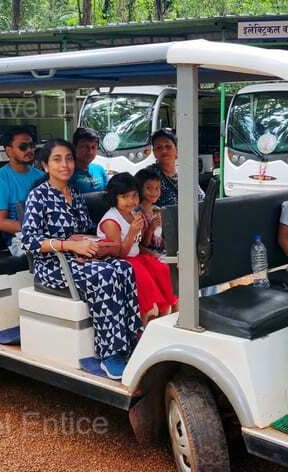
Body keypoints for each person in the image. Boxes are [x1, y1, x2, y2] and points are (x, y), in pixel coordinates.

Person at [21, 139, 142, 380]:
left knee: (123, 268)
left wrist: (92, 245)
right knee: (105, 275)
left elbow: (86, 228)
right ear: (45, 166)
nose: (65, 164)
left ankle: (130, 341)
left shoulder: (74, 194)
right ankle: (110, 353)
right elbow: (29, 241)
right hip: (53, 265)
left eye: (68, 158)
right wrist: (69, 245)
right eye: (57, 159)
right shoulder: (39, 196)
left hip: (80, 258)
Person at [97, 173, 177, 325]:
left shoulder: (133, 214)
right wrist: (133, 231)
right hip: (122, 260)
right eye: (125, 197)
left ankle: (164, 315)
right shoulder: (111, 221)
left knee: (163, 271)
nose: (131, 201)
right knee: (146, 285)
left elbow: (138, 245)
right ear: (115, 198)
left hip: (137, 256)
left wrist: (150, 252)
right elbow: (119, 253)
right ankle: (144, 324)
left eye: (134, 196)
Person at [0, 127, 44, 250]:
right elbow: (1, 223)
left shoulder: (41, 176)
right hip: (18, 240)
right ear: (9, 151)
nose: (29, 150)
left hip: (45, 234)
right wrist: (39, 229)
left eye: (31, 145)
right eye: (23, 147)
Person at [136, 128, 204, 208]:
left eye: (168, 146)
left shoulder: (185, 174)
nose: (164, 151)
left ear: (177, 149)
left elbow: (202, 199)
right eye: (159, 147)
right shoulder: (148, 174)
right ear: (154, 152)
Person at [135, 167, 165, 256]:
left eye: (157, 188)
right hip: (147, 254)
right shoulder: (137, 213)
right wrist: (151, 229)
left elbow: (161, 237)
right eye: (149, 188)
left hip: (160, 252)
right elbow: (142, 244)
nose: (154, 192)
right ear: (139, 188)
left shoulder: (157, 210)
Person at [69, 127, 109, 193]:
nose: (90, 151)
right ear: (74, 148)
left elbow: (109, 195)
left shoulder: (99, 169)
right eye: (85, 147)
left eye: (93, 147)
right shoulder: (66, 173)